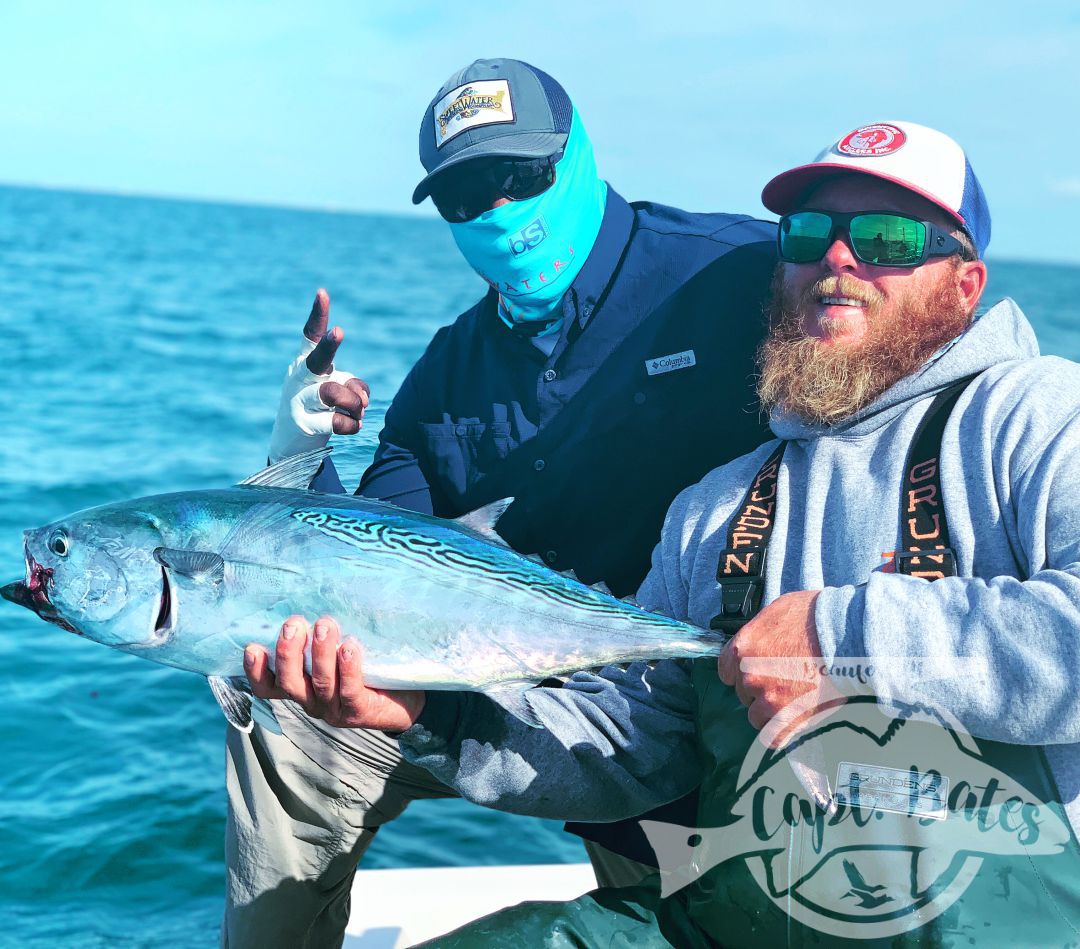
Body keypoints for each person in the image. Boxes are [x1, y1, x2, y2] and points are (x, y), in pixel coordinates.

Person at [258, 121, 1080, 945]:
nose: (838, 259)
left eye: (888, 237)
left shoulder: (1038, 419)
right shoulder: (715, 508)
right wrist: (430, 713)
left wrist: (840, 637)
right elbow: (636, 740)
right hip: (737, 919)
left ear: (966, 283)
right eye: (807, 234)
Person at [224, 58, 778, 947]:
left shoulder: (738, 275)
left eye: (521, 175)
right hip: (496, 683)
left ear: (580, 152)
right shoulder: (446, 376)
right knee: (293, 727)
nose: (498, 211)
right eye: (466, 195)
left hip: (700, 699)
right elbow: (367, 557)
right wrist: (301, 448)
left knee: (707, 918)